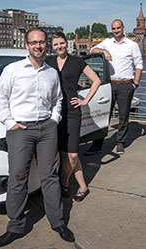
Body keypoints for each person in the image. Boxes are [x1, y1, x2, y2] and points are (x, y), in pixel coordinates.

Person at [0, 28, 74, 247]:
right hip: (21, 129)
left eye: (41, 43)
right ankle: (16, 225)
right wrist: (10, 123)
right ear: (26, 45)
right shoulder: (13, 70)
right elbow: (1, 98)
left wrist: (54, 119)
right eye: (34, 42)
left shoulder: (51, 72)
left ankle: (58, 222)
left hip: (47, 129)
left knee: (50, 177)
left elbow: (58, 99)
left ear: (46, 45)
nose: (38, 46)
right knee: (18, 177)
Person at [46, 32, 101, 201]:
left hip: (72, 112)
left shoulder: (77, 62)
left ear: (66, 43)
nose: (59, 47)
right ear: (52, 46)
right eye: (56, 45)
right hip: (53, 112)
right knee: (61, 153)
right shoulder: (48, 61)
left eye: (61, 43)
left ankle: (65, 179)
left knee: (73, 154)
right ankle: (80, 185)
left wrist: (85, 100)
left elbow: (96, 80)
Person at [85, 19, 143, 155]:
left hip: (125, 85)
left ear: (123, 28)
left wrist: (136, 83)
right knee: (104, 115)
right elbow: (92, 49)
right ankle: (97, 144)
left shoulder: (132, 45)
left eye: (118, 28)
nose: (116, 30)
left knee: (123, 116)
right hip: (109, 85)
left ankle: (120, 143)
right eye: (113, 28)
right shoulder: (107, 42)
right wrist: (103, 51)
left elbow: (139, 65)